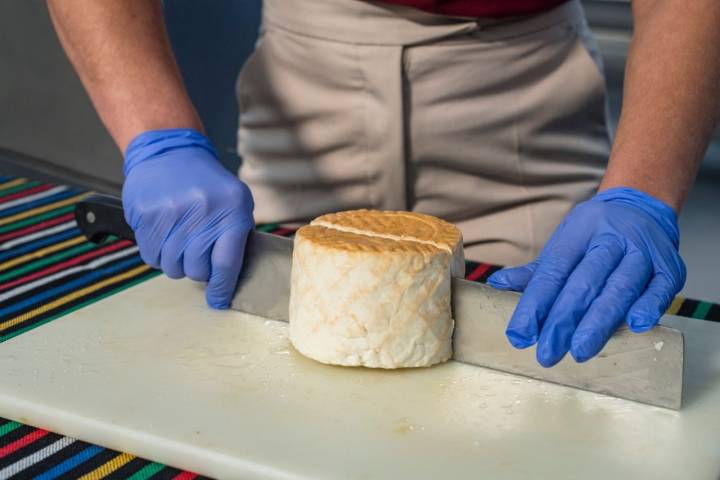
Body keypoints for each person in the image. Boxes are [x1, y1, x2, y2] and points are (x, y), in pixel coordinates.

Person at [47, 0, 720, 367]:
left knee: (550, 380)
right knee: (265, 367)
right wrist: (156, 134)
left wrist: (641, 191)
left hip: (522, 88)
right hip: (308, 68)